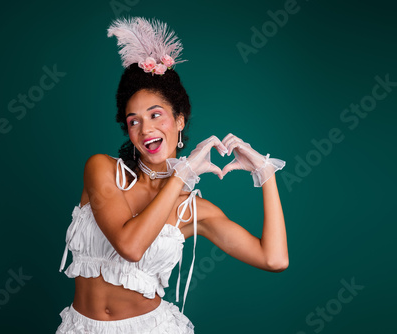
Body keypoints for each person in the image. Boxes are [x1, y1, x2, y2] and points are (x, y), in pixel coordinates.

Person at [56, 17, 288, 333]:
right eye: (133, 121)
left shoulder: (194, 211)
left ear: (179, 121)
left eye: (156, 115)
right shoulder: (102, 170)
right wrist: (183, 173)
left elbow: (274, 260)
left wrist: (266, 172)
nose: (146, 128)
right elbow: (130, 245)